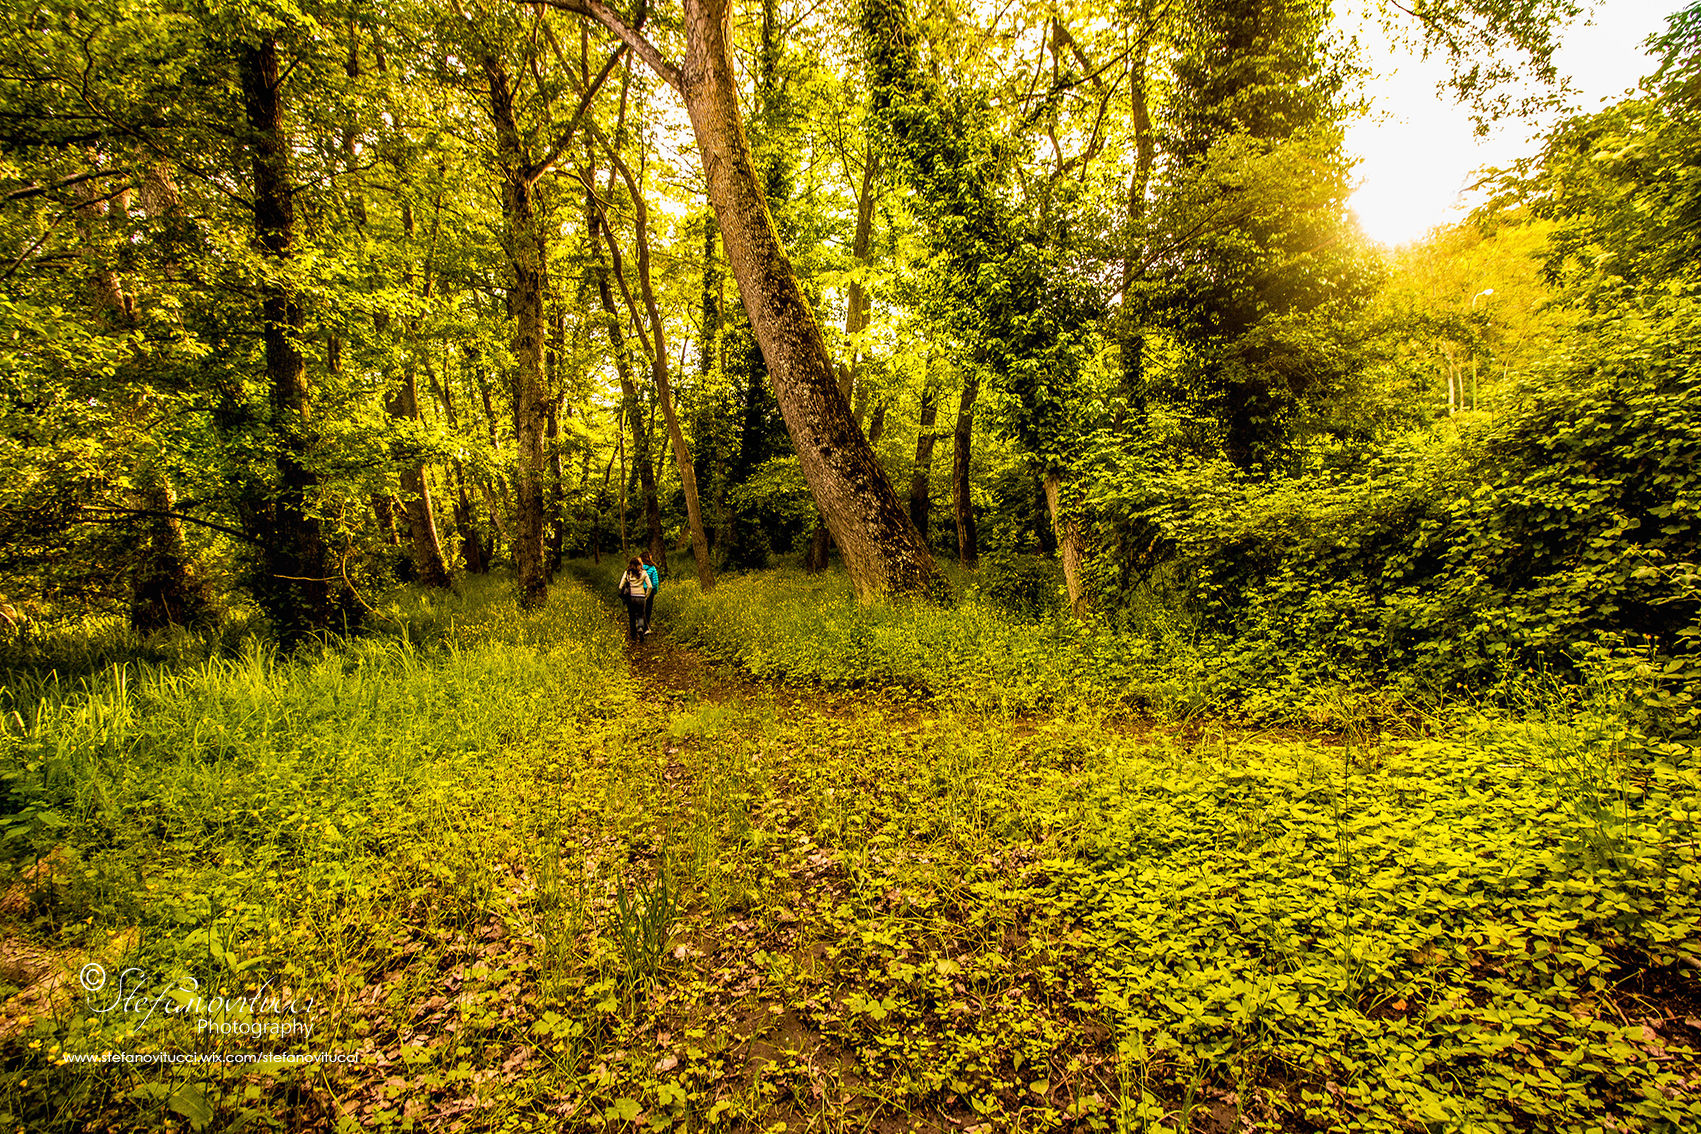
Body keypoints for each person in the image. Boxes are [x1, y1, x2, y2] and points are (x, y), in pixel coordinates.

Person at [617, 557, 650, 643]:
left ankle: (633, 636)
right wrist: (646, 595)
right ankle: (640, 628)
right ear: (639, 565)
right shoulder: (643, 573)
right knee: (641, 614)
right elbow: (650, 586)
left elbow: (620, 586)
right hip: (641, 596)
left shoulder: (627, 573)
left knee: (631, 616)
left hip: (631, 597)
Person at [639, 551, 660, 636]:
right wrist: (655, 591)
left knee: (640, 609)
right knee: (648, 609)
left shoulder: (639, 568)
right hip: (649, 591)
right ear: (648, 557)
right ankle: (646, 627)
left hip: (639, 590)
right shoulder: (652, 568)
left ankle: (640, 625)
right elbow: (655, 582)